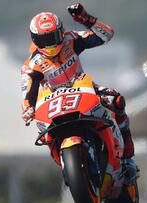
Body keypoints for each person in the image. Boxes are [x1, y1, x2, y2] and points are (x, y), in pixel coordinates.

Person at [20, 3, 136, 167]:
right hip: (53, 101)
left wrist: (87, 19)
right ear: (34, 40)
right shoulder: (32, 64)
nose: (51, 44)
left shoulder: (71, 39)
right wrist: (28, 108)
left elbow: (107, 35)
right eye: (45, 40)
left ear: (61, 32)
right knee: (43, 132)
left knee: (115, 99)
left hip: (83, 88)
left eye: (54, 37)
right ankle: (65, 161)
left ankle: (126, 138)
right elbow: (27, 92)